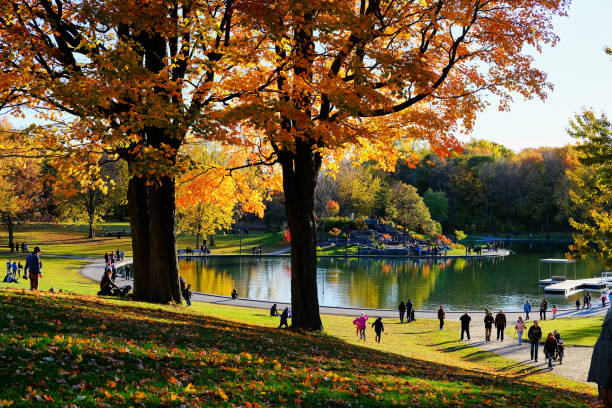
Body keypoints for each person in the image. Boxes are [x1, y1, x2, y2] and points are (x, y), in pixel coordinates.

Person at [588, 308, 612, 407]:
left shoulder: (610, 310)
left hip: (603, 348)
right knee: (607, 383)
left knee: (605, 383)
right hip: (608, 349)